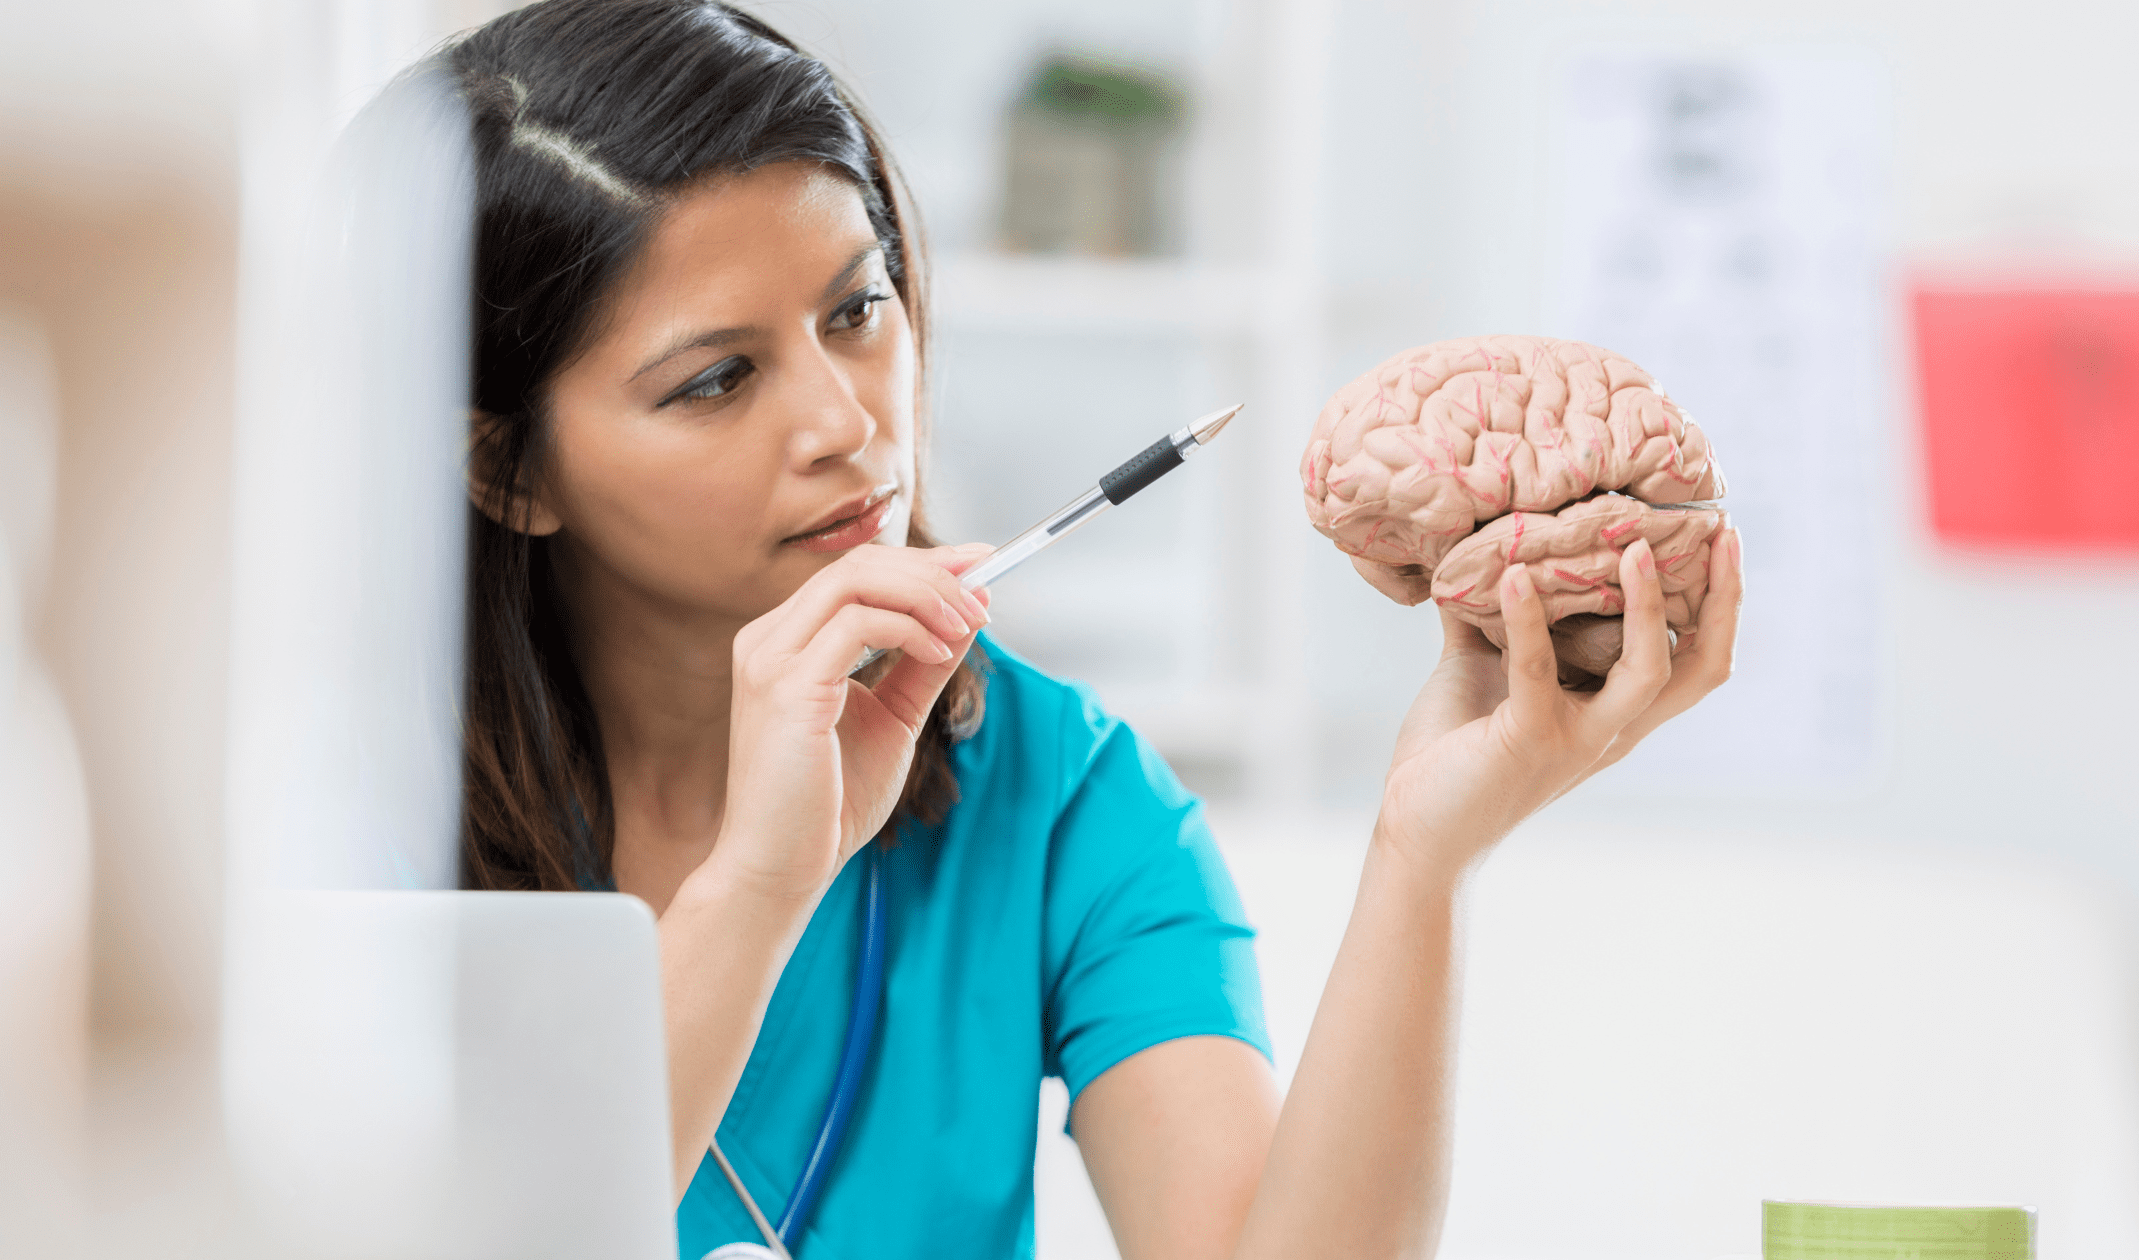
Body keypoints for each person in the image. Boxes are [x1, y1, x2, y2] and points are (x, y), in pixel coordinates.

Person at [426, 2, 1745, 1256]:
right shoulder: (349, 825)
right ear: (508, 470)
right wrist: (763, 887)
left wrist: (1423, 853)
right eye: (716, 380)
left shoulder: (1065, 797)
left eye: (858, 309)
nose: (845, 422)